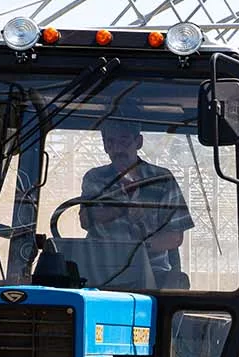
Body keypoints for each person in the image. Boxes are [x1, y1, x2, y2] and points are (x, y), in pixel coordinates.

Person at [77, 119, 194, 287]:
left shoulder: (162, 180)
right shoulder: (95, 178)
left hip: (151, 272)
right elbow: (85, 220)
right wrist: (121, 209)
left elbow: (174, 237)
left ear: (138, 142)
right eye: (110, 142)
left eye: (124, 141)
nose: (117, 149)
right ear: (105, 146)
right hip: (99, 269)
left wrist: (137, 250)